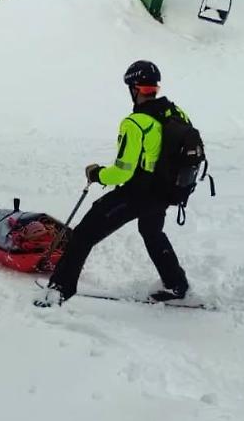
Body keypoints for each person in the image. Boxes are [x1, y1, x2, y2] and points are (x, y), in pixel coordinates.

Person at [36, 60, 190, 307]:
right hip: (165, 191)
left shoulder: (135, 123)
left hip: (138, 193)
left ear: (134, 88)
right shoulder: (175, 112)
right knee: (151, 231)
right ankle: (177, 284)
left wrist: (97, 174)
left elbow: (122, 172)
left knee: (83, 235)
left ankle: (59, 292)